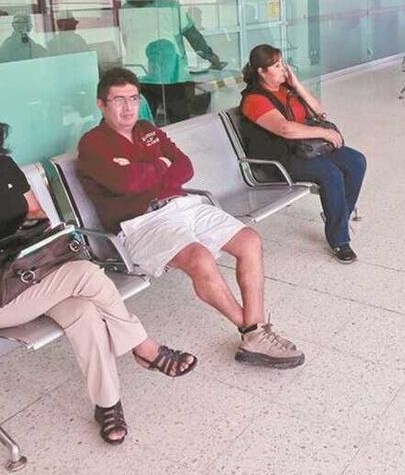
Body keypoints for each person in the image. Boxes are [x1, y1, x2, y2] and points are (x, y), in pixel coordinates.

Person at [0, 101, 195, 445]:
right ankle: (146, 348)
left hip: (29, 274)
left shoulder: (4, 168)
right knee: (86, 273)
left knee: (84, 310)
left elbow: (36, 211)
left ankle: (107, 403)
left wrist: (32, 229)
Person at [77, 68, 304, 369]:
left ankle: (255, 330)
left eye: (133, 98)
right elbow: (125, 184)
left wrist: (142, 166)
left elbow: (184, 168)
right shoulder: (93, 143)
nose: (128, 108)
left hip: (184, 205)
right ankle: (253, 332)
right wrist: (160, 163)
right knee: (199, 258)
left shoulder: (146, 128)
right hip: (140, 222)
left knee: (249, 241)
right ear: (101, 104)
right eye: (118, 100)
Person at [238, 45, 367, 262]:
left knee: (356, 161)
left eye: (282, 64)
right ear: (261, 71)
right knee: (330, 173)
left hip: (305, 149)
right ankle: (339, 239)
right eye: (277, 66)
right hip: (279, 160)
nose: (284, 69)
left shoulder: (286, 90)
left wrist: (296, 84)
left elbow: (319, 111)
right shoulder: (254, 100)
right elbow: (285, 129)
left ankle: (338, 216)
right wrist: (323, 133)